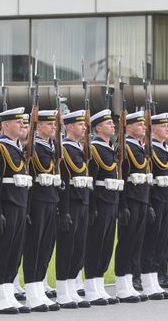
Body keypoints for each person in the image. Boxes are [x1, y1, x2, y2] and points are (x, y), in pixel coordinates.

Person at [0, 108, 34, 314]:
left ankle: (9, 293)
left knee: (14, 252)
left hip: (19, 204)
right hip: (7, 206)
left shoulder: (17, 148)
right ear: (6, 125)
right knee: (2, 251)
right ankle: (0, 297)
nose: (22, 126)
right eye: (18, 122)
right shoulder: (0, 148)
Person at [24, 110, 63, 310]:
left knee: (46, 248)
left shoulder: (53, 148)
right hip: (37, 202)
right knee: (34, 247)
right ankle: (31, 291)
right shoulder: (32, 148)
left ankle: (39, 287)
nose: (53, 128)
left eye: (54, 125)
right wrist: (28, 209)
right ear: (38, 127)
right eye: (49, 124)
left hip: (51, 200)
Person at [55, 110, 93, 308]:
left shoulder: (81, 149)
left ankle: (71, 287)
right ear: (69, 127)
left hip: (83, 201)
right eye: (80, 125)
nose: (85, 128)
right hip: (71, 203)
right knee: (67, 248)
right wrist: (64, 210)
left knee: (79, 248)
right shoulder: (65, 149)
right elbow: (64, 182)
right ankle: (62, 290)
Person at [85, 109, 123, 305]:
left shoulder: (110, 149)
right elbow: (90, 181)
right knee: (95, 245)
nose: (113, 126)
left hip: (111, 201)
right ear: (98, 127)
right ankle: (91, 286)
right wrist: (92, 208)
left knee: (106, 247)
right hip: (99, 202)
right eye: (108, 123)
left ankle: (99, 284)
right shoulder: (94, 149)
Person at [114, 111, 152, 302]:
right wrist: (122, 206)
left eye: (144, 125)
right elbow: (121, 177)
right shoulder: (125, 147)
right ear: (128, 128)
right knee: (126, 242)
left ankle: (129, 281)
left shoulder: (142, 148)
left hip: (142, 199)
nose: (144, 128)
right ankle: (121, 283)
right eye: (139, 125)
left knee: (136, 243)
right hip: (130, 199)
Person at [139, 112, 168, 300]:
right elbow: (148, 180)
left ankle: (154, 280)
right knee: (150, 243)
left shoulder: (164, 150)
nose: (167, 129)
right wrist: (150, 204)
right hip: (155, 200)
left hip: (166, 199)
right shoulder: (150, 149)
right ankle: (147, 281)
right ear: (153, 129)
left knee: (161, 242)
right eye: (163, 126)